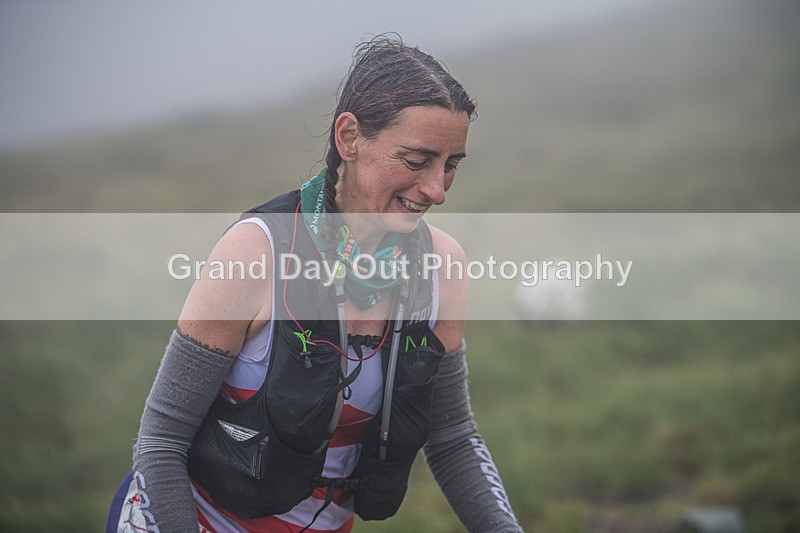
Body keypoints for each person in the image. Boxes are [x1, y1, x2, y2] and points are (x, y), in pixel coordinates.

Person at [108, 35, 522, 533]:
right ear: (348, 138)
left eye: (451, 165)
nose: (436, 190)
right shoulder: (256, 252)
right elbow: (161, 442)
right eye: (416, 161)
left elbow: (453, 437)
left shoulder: (441, 267)